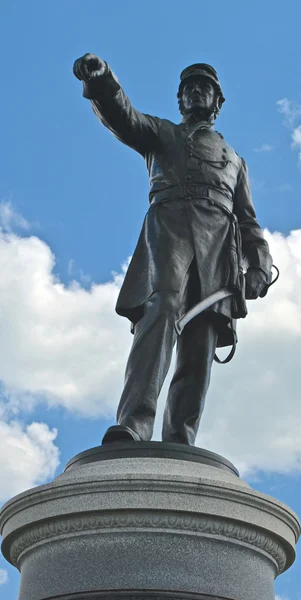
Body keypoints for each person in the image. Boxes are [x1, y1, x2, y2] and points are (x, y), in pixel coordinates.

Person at [73, 55, 273, 446]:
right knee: (161, 310)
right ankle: (134, 423)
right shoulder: (162, 134)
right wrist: (101, 80)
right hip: (170, 235)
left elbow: (248, 220)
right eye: (189, 89)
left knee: (200, 344)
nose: (196, 92)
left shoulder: (235, 161)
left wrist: (260, 265)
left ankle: (180, 439)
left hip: (218, 254)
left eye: (205, 88)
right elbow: (124, 117)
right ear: (180, 100)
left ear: (218, 103)